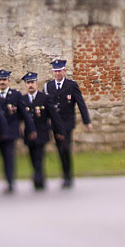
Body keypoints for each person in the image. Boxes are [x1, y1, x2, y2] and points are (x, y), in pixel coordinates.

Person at [42, 59, 92, 189]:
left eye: (60, 71)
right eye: (55, 71)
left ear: (64, 71)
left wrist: (87, 121)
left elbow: (81, 103)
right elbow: (44, 106)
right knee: (60, 150)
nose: (58, 74)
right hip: (55, 123)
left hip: (67, 123)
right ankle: (65, 175)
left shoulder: (71, 85)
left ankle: (68, 176)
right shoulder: (48, 87)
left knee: (65, 148)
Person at [0, 69, 35, 194]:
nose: (2, 82)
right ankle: (7, 179)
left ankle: (10, 181)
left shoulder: (15, 95)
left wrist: (31, 128)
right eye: (0, 80)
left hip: (11, 132)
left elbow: (25, 114)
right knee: (3, 157)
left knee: (9, 157)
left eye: (4, 80)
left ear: (8, 81)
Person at [21, 72, 60, 191]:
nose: (30, 85)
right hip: (29, 134)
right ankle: (37, 175)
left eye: (32, 83)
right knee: (32, 156)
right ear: (26, 85)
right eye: (28, 83)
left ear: (36, 84)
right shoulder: (22, 100)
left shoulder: (44, 98)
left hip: (41, 132)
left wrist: (59, 130)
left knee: (39, 155)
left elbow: (53, 116)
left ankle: (38, 178)